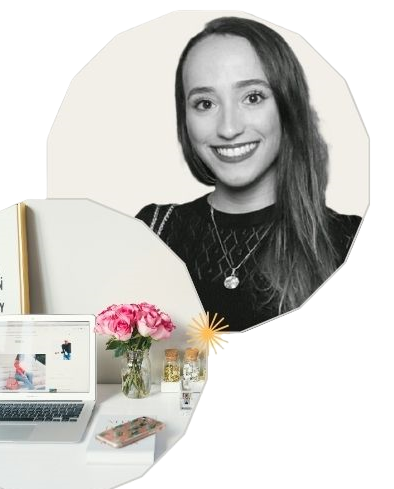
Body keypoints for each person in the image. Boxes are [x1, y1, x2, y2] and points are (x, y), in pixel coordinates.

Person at [136, 17, 361, 331]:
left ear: (287, 106)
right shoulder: (153, 232)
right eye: (204, 103)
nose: (229, 128)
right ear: (184, 118)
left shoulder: (353, 242)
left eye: (253, 97)